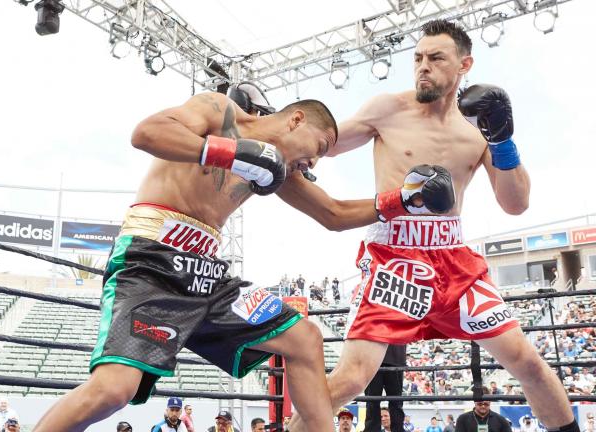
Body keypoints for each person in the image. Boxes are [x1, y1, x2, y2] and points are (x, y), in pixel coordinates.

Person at [32, 89, 446, 432]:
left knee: (303, 338)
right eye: (318, 148)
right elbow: (146, 133)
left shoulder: (276, 170)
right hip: (152, 264)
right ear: (296, 120)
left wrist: (404, 201)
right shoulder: (220, 112)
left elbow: (333, 214)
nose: (314, 162)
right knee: (112, 391)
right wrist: (231, 153)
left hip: (207, 276)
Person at [284, 18, 576, 432]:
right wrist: (287, 145)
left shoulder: (479, 127)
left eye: (436, 58)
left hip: (454, 259)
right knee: (352, 378)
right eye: (418, 58)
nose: (423, 66)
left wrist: (503, 141)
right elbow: (327, 143)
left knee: (527, 361)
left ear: (464, 64)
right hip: (394, 256)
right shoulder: (389, 109)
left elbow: (516, 204)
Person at [364, 344, 406, 432]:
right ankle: (372, 430)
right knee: (372, 400)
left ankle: (397, 429)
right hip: (373, 356)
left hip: (394, 357)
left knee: (395, 401)